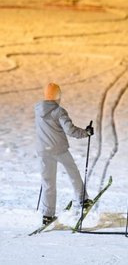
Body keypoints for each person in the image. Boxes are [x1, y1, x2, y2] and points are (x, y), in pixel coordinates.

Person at [35, 83, 94, 225]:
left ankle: (47, 215)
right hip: (59, 149)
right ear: (58, 96)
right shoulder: (59, 111)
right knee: (73, 173)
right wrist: (86, 133)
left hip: (43, 151)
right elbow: (70, 130)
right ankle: (83, 200)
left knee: (48, 182)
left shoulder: (37, 110)